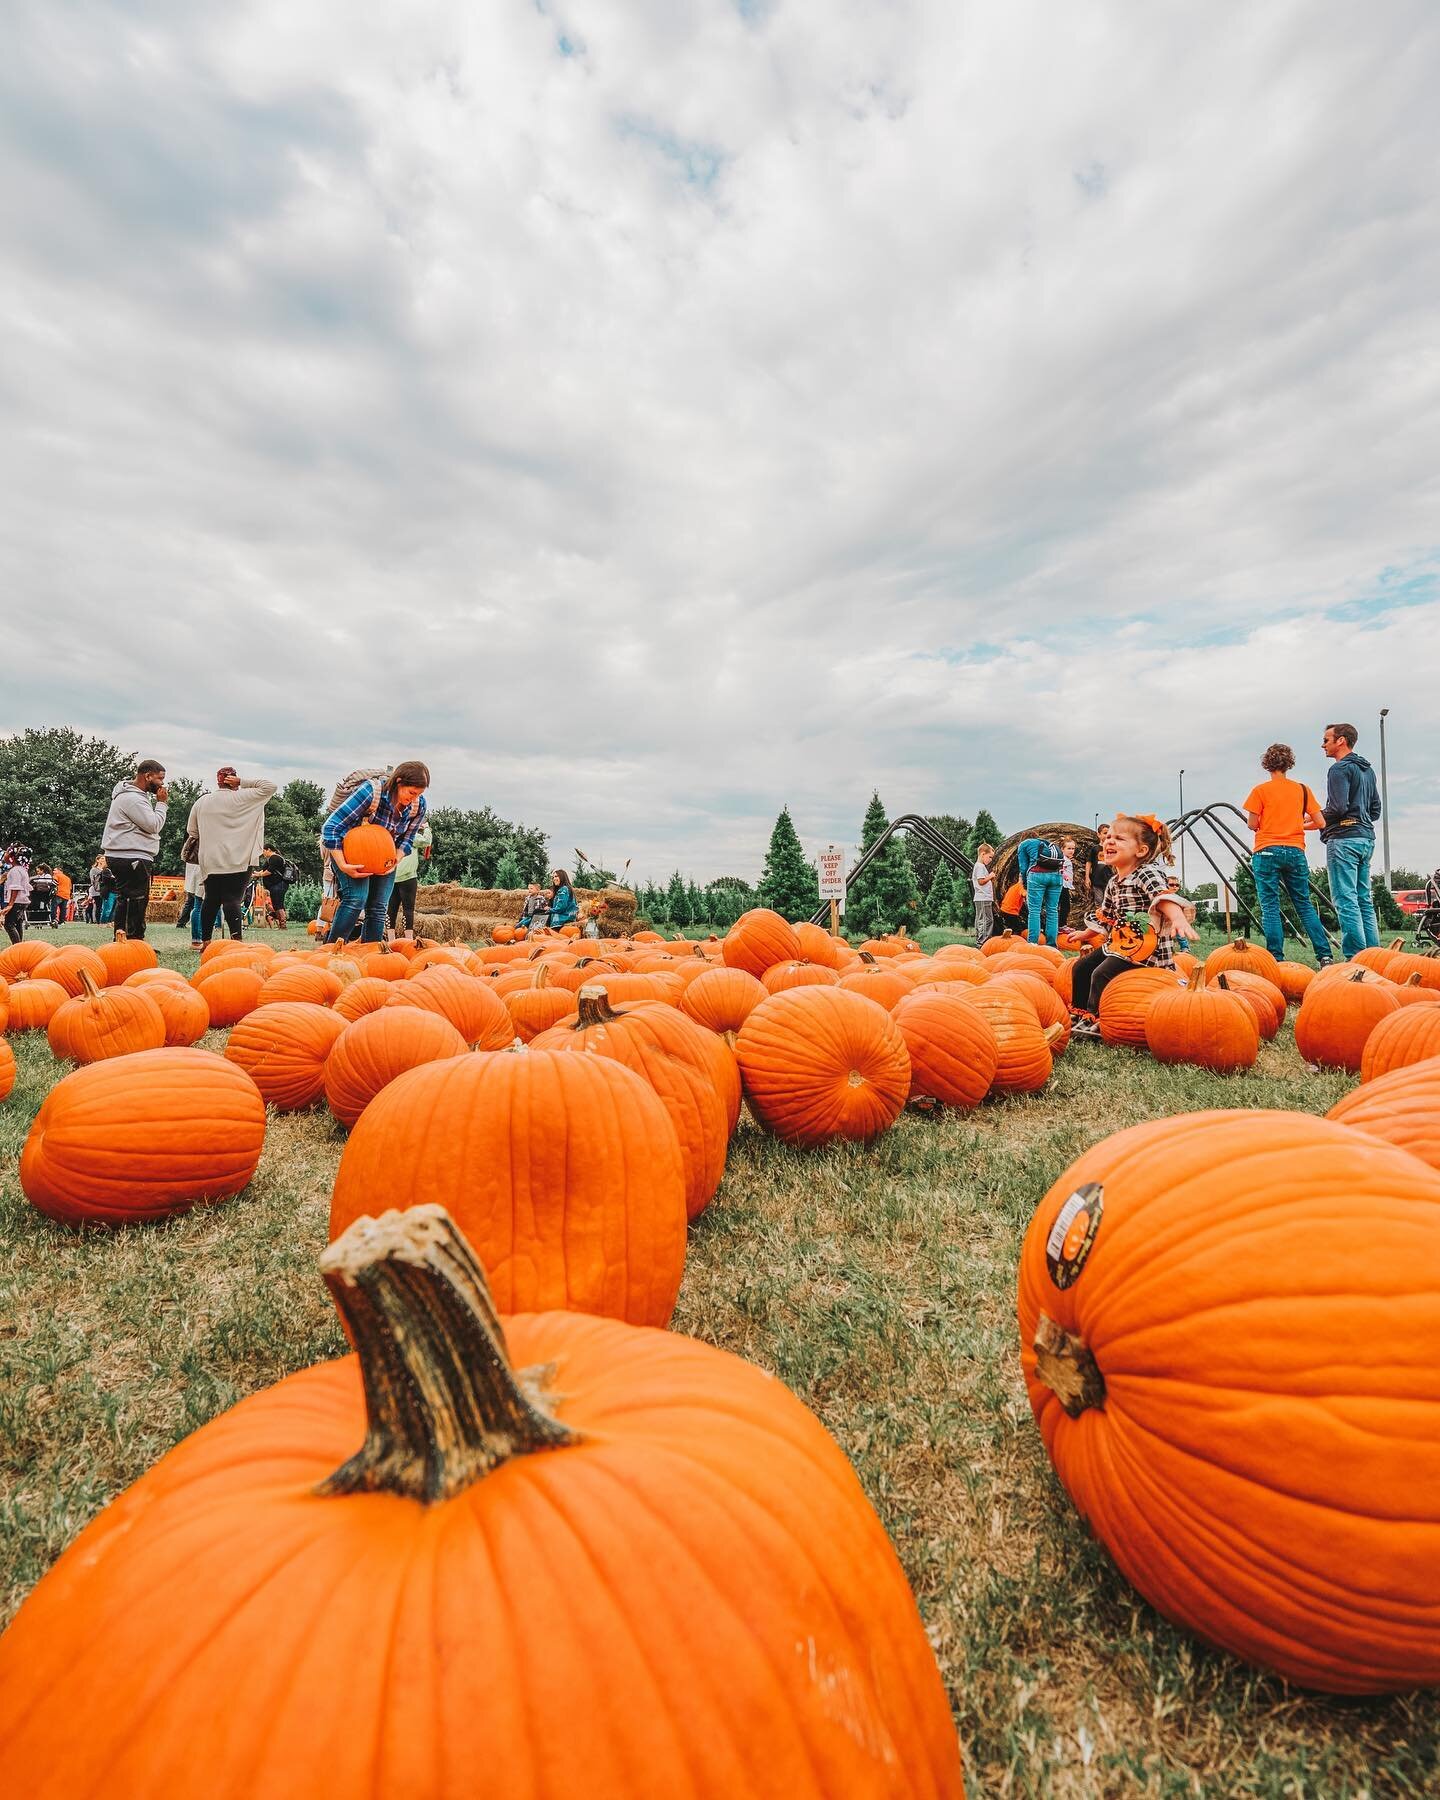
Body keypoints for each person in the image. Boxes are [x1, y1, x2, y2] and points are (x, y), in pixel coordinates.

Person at [1069, 814, 1194, 1040]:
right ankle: (1077, 1014)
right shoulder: (1113, 882)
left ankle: (1095, 1018)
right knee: (1081, 968)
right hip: (1120, 944)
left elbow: (1163, 898)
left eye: (1119, 838)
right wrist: (1085, 933)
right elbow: (1106, 916)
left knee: (1101, 974)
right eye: (1108, 837)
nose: (1109, 841)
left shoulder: (1146, 873)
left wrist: (1177, 918)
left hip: (1147, 951)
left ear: (1141, 851)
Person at [322, 761, 430, 945]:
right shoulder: (371, 793)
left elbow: (407, 839)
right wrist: (342, 864)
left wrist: (396, 859)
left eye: (419, 794)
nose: (414, 798)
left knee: (379, 907)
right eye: (411, 792)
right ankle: (332, 949)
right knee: (356, 899)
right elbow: (330, 827)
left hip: (385, 858)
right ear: (398, 781)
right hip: (349, 853)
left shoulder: (418, 806)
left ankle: (370, 953)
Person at [1243, 744, 1332, 966]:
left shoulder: (1260, 791)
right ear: (1289, 764)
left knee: (1270, 906)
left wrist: (1265, 823)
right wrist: (1300, 824)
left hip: (1266, 851)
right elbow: (1321, 822)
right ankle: (1325, 956)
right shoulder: (1302, 790)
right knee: (1303, 904)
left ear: (1267, 764)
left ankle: (1276, 959)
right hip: (1294, 850)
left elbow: (1252, 824)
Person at [186, 766, 276, 944]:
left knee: (210, 900)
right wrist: (243, 782)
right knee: (233, 899)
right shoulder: (246, 797)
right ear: (234, 780)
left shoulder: (202, 801)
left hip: (210, 859)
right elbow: (270, 786)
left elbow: (192, 831)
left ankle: (206, 942)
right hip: (240, 858)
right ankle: (236, 941)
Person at [1320, 722, 1383, 961]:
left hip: (1344, 839)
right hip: (1366, 838)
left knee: (1345, 900)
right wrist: (1360, 818)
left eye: (1327, 739)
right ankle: (1375, 956)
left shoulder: (1339, 769)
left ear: (1341, 740)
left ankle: (1355, 957)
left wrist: (1312, 819)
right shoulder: (1367, 770)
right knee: (1363, 899)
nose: (1323, 744)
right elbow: (1375, 810)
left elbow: (1337, 807)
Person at [101, 760, 168, 939]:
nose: (162, 784)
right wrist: (161, 804)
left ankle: (123, 938)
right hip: (131, 856)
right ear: (147, 776)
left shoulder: (133, 796)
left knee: (128, 898)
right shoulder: (133, 799)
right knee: (136, 900)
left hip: (126, 854)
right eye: (160, 779)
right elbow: (153, 825)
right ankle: (133, 941)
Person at [1018, 834, 1064, 947]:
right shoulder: (1046, 843)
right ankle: (1052, 945)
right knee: (1052, 911)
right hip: (1056, 876)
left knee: (1034, 911)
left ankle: (1032, 944)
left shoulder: (1024, 844)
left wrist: (1024, 882)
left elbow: (1023, 867)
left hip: (1037, 876)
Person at [386, 823, 431, 938]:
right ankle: (408, 939)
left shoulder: (390, 835)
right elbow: (427, 842)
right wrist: (426, 828)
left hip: (391, 876)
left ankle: (391, 940)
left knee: (391, 909)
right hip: (408, 877)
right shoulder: (411, 836)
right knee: (408, 909)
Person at [258, 846, 296, 930]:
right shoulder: (272, 859)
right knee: (276, 904)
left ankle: (283, 924)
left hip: (279, 884)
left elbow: (269, 871)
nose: (263, 853)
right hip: (276, 885)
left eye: (264, 851)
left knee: (278, 904)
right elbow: (266, 870)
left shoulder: (274, 858)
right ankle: (281, 923)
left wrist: (259, 875)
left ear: (269, 850)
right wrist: (257, 873)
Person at [2, 847, 32, 945]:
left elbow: (16, 887)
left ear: (13, 857)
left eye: (7, 853)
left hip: (16, 902)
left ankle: (17, 947)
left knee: (9, 924)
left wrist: (10, 904)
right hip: (22, 901)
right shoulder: (22, 870)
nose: (4, 855)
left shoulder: (15, 871)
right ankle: (19, 946)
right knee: (18, 924)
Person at [971, 844, 995, 943]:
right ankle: (982, 942)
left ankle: (980, 940)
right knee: (986, 921)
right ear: (983, 854)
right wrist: (990, 876)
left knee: (982, 920)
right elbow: (981, 881)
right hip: (983, 898)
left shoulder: (979, 866)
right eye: (990, 857)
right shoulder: (980, 866)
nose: (990, 860)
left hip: (983, 898)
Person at [1059, 838, 1078, 928]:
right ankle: (1061, 925)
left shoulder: (1066, 859)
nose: (1071, 851)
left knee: (1063, 905)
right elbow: (1059, 869)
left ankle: (1060, 924)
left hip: (1065, 885)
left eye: (1073, 849)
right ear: (1062, 849)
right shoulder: (1063, 859)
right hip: (1062, 885)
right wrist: (1064, 876)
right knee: (1065, 906)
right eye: (1069, 848)